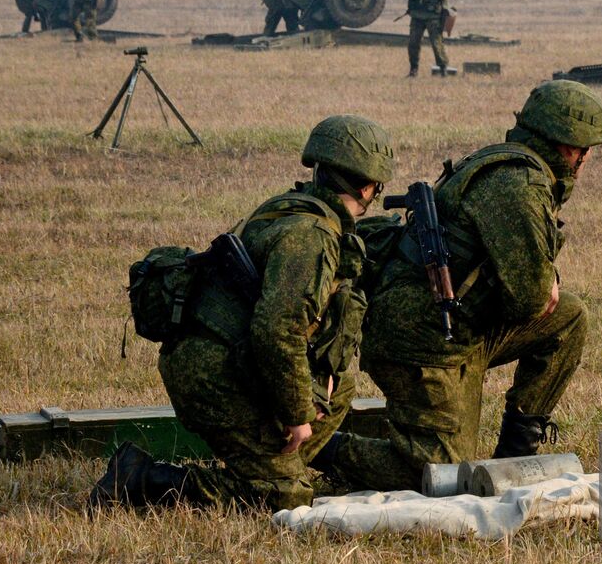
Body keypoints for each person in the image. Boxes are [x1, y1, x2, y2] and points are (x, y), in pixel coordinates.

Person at [89, 115, 396, 511]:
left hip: (227, 353)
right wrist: (297, 412)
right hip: (212, 370)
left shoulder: (290, 208)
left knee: (338, 391)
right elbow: (277, 331)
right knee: (286, 497)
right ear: (369, 186)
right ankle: (139, 480)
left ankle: (274, 463)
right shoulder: (312, 236)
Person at [323, 80, 602, 491]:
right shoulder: (518, 184)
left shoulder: (507, 167)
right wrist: (543, 283)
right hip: (423, 337)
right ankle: (317, 447)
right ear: (570, 149)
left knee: (569, 316)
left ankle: (516, 458)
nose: (585, 161)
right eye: (586, 151)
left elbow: (535, 287)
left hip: (460, 326)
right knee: (437, 475)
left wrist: (547, 282)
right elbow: (529, 300)